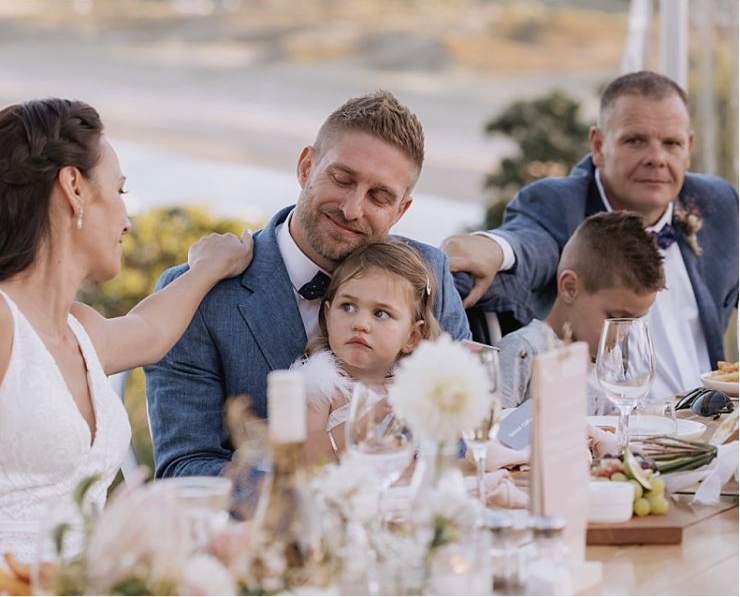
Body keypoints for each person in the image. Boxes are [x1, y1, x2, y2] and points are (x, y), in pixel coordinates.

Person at [0, 98, 253, 591]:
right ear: (74, 188)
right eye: (120, 191)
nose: (127, 218)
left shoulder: (78, 327)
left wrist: (209, 266)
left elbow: (152, 332)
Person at [145, 90, 471, 478]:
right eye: (342, 179)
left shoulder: (428, 271)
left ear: (400, 210)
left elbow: (457, 435)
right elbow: (185, 469)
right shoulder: (198, 294)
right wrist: (299, 487)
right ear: (306, 167)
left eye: (379, 197)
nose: (352, 209)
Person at [443, 70, 738, 400]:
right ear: (598, 146)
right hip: (605, 432)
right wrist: (493, 248)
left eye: (671, 143)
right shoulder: (561, 204)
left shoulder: (719, 204)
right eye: (635, 140)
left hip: (713, 423)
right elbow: (529, 239)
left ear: (689, 147)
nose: (656, 158)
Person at [287, 241, 441, 465]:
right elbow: (305, 460)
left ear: (412, 337)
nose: (360, 324)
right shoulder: (321, 386)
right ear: (328, 316)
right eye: (348, 307)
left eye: (380, 313)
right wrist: (372, 417)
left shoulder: (409, 390)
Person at [498, 211, 665, 415]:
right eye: (615, 318)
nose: (623, 333)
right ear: (570, 288)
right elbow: (489, 436)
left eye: (635, 321)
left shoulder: (609, 362)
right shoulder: (524, 351)